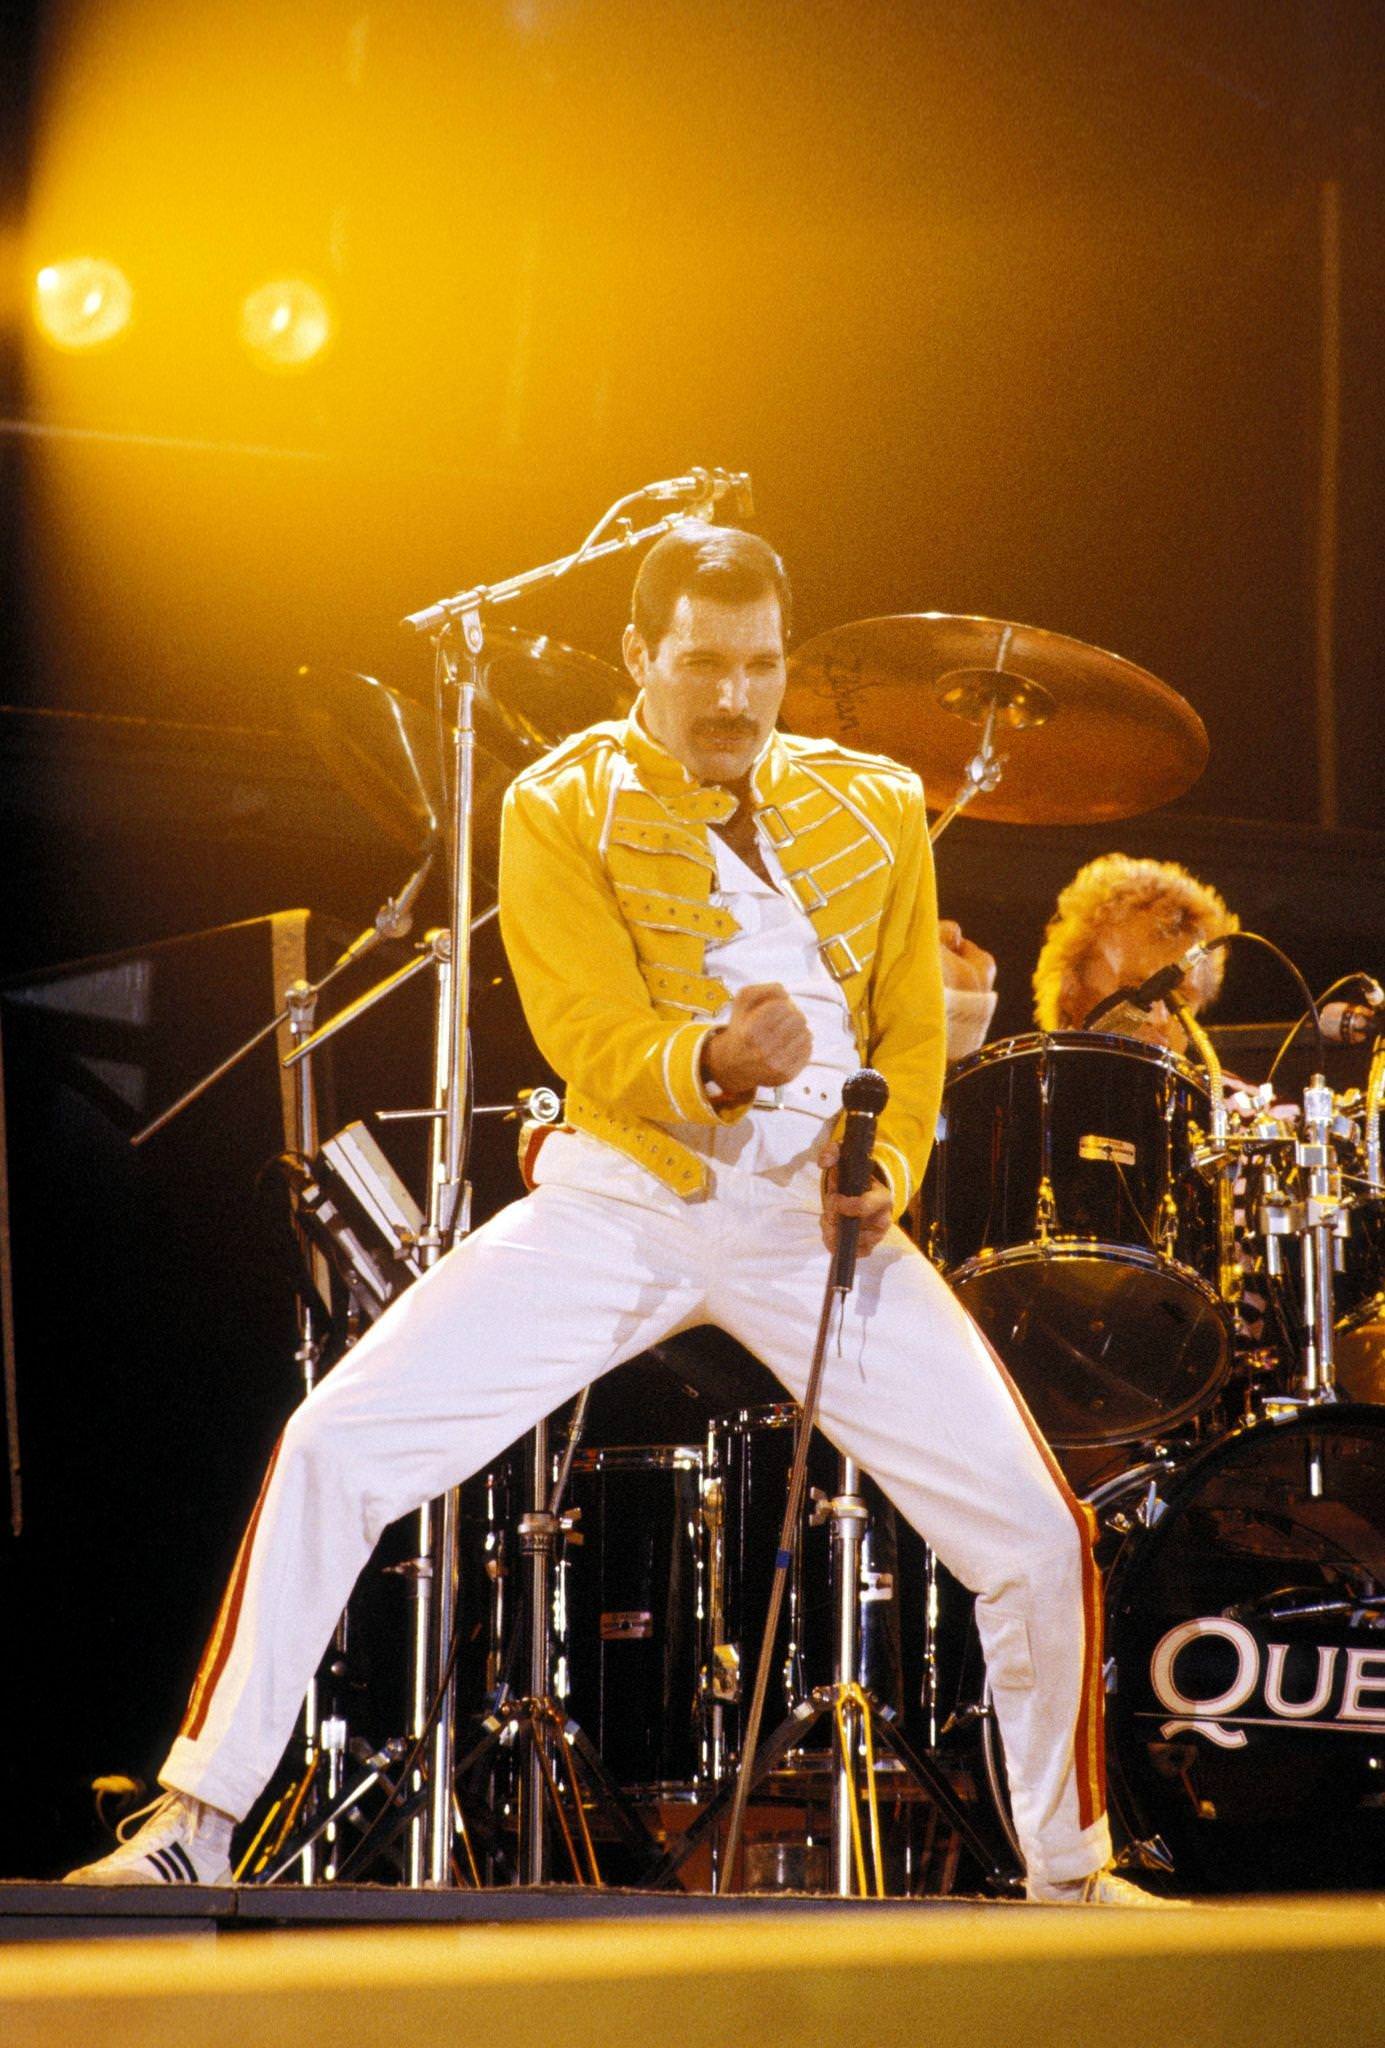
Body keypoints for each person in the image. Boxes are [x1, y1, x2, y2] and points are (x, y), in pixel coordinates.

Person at [66, 524, 1146, 1903]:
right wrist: (708, 1061)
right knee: (337, 1440)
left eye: (758, 666)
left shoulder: (874, 801)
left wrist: (893, 1172)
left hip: (815, 1223)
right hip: (628, 1197)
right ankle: (193, 1823)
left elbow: (912, 1034)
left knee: (1038, 1533)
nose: (733, 696)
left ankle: (1071, 1876)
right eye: (703, 661)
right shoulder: (558, 802)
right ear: (641, 655)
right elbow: (582, 1027)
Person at [1032, 851, 1238, 1052]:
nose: (1159, 1019)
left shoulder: (1220, 1087)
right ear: (1069, 990)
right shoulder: (1021, 1085)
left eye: (1181, 999)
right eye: (1135, 991)